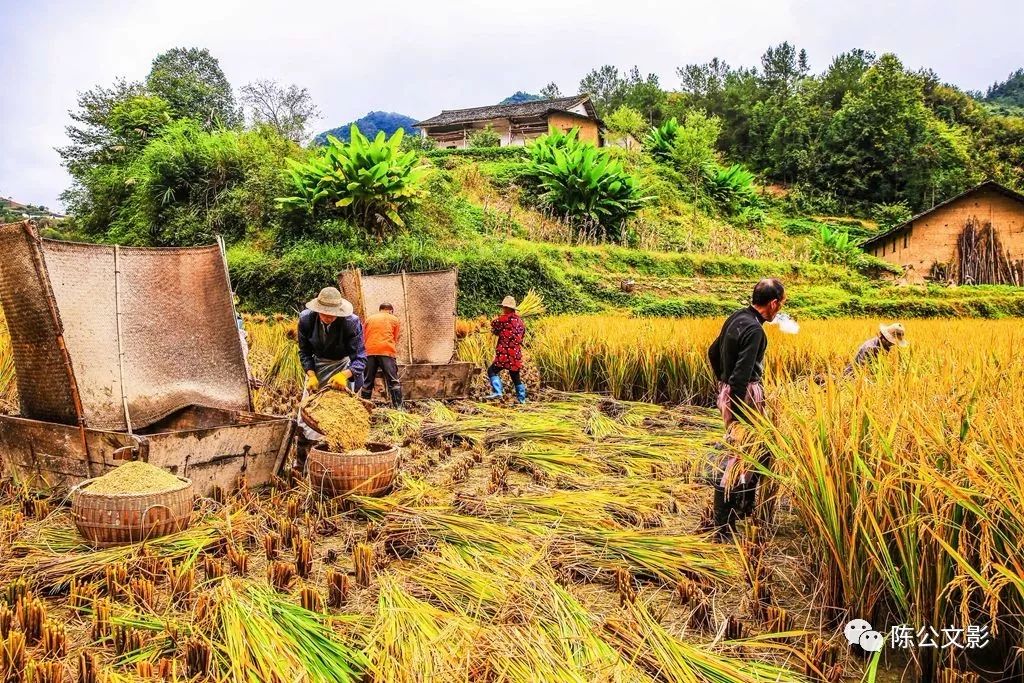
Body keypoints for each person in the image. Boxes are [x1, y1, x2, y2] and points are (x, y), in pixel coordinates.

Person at [706, 278, 786, 539]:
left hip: (730, 392)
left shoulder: (736, 317)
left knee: (749, 452)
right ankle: (724, 526)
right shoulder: (755, 331)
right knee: (741, 454)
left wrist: (723, 383)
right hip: (745, 395)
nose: (780, 309)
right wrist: (740, 415)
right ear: (773, 303)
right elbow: (742, 375)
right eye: (781, 303)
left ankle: (742, 507)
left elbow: (712, 351)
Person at [296, 287, 367, 459]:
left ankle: (337, 454)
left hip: (342, 365)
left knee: (340, 415)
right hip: (318, 365)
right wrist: (311, 374)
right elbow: (304, 352)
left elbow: (361, 358)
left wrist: (346, 374)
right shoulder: (306, 320)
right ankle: (304, 456)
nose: (328, 317)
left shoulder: (351, 322)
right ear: (317, 309)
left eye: (332, 313)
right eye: (324, 313)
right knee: (308, 413)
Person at [485, 296, 527, 404]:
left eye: (504, 307)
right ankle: (522, 400)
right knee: (515, 376)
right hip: (515, 354)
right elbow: (521, 337)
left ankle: (498, 391)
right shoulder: (521, 322)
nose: (503, 309)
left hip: (504, 353)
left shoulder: (503, 319)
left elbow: (494, 325)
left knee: (492, 370)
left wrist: (495, 331)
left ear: (507, 308)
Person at [361, 303, 404, 408]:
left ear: (380, 310)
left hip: (369, 351)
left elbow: (364, 336)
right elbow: (395, 338)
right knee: (393, 381)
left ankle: (363, 409)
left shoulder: (369, 319)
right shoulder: (394, 319)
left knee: (367, 382)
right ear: (390, 311)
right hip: (386, 351)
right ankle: (398, 409)